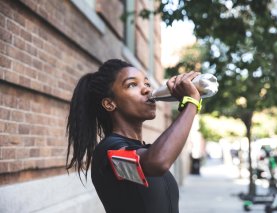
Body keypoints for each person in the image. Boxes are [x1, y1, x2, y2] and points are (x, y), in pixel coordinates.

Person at [66, 59, 202, 213]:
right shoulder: (107, 153)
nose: (146, 90)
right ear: (110, 104)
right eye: (132, 84)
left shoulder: (144, 150)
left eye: (147, 84)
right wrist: (191, 104)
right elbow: (157, 163)